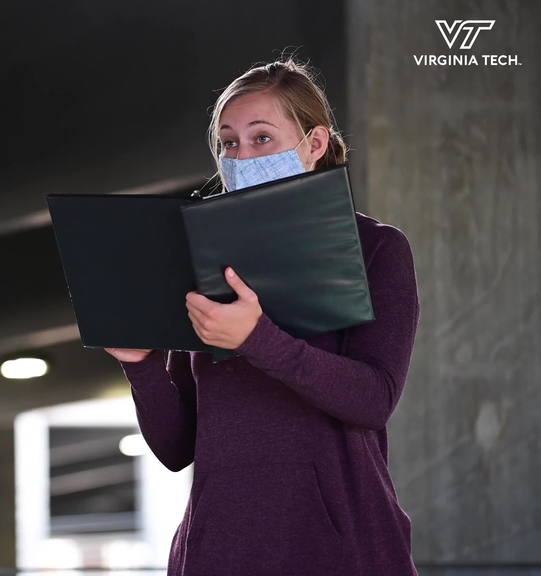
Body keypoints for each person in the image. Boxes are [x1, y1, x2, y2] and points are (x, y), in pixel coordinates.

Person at [106, 58, 420, 575]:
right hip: (218, 552)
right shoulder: (202, 256)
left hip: (340, 552)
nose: (241, 154)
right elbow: (176, 447)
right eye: (228, 143)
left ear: (315, 144)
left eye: (262, 138)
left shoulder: (377, 249)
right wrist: (141, 367)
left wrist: (258, 337)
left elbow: (373, 399)